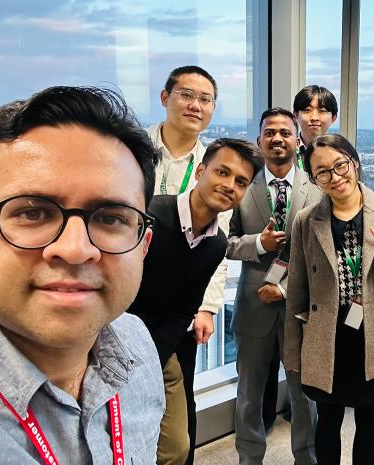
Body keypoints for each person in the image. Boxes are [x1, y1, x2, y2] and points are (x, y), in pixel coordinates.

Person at [0, 86, 163, 464]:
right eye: (32, 212)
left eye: (111, 218)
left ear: (142, 248)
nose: (76, 248)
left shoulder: (137, 346)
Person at [284, 133, 374, 465]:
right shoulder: (306, 220)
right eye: (322, 172)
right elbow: (297, 288)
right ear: (314, 178)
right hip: (329, 336)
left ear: (355, 163)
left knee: (370, 421)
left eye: (340, 165)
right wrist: (292, 350)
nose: (335, 177)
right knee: (328, 421)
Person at [128, 138, 263, 465]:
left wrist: (154, 357)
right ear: (201, 170)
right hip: (114, 341)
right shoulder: (152, 215)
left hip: (159, 346)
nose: (230, 185)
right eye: (222, 172)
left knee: (176, 448)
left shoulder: (216, 244)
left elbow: (185, 308)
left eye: (241, 182)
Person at [147, 65, 232, 465]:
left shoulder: (216, 165)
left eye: (206, 99)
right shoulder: (135, 150)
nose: (196, 105)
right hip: (130, 293)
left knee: (181, 392)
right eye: (187, 94)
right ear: (166, 98)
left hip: (182, 297)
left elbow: (218, 243)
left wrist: (207, 307)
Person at [227, 108, 320, 465]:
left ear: (298, 141)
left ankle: (306, 458)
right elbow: (227, 242)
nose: (277, 138)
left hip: (300, 308)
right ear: (259, 141)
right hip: (253, 307)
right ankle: (249, 459)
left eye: (284, 132)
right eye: (269, 133)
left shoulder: (317, 189)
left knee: (303, 396)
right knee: (249, 395)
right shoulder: (242, 188)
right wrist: (259, 245)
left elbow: (323, 251)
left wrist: (285, 288)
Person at [293, 85, 339, 167]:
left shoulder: (341, 153)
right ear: (296, 115)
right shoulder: (286, 151)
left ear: (333, 118)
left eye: (322, 111)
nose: (314, 118)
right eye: (307, 110)